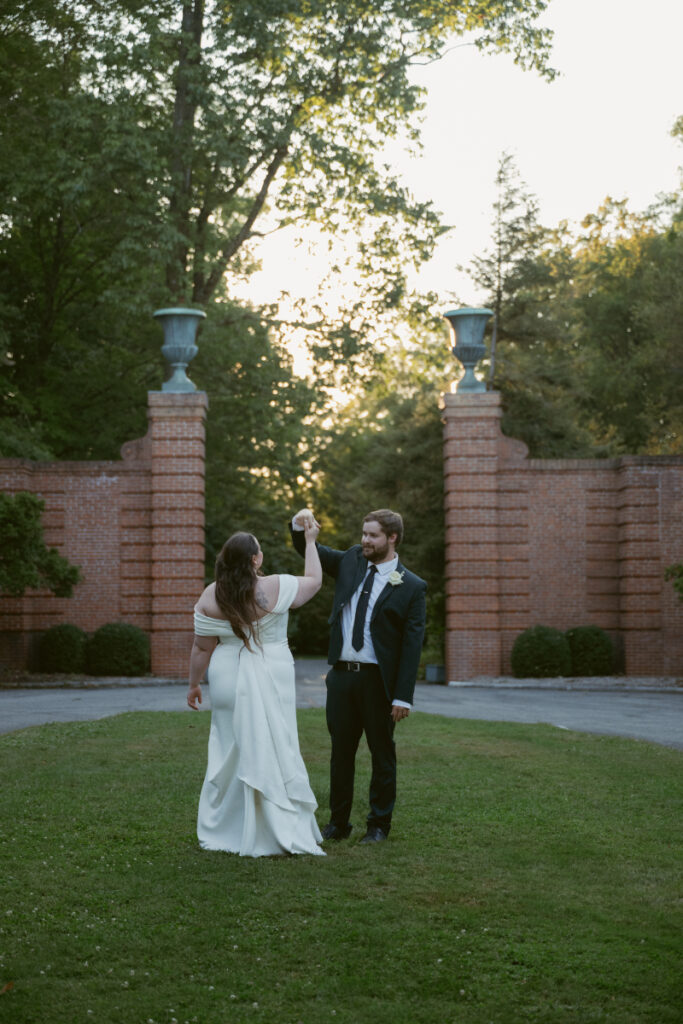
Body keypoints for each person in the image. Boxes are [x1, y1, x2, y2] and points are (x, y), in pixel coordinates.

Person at [187, 522, 325, 858]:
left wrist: (193, 684)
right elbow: (315, 581)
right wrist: (310, 541)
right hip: (274, 670)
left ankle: (231, 825)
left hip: (227, 675)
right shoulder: (277, 586)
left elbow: (202, 648)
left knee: (231, 746)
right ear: (255, 559)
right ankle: (276, 821)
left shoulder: (210, 595)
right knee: (276, 741)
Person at [290, 507, 426, 845]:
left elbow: (412, 648)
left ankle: (378, 825)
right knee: (340, 754)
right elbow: (311, 551)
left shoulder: (411, 587)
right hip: (340, 678)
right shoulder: (350, 560)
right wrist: (299, 526)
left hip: (378, 683)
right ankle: (338, 823)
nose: (364, 540)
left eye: (372, 535)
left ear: (391, 538)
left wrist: (403, 696)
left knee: (382, 754)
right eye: (364, 534)